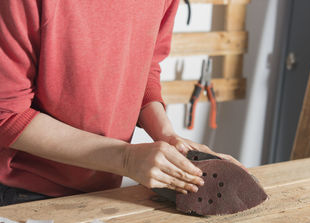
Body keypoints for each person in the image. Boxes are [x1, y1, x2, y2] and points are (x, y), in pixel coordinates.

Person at [0, 0, 242, 206]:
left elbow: (143, 68)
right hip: (23, 193)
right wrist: (126, 159)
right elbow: (7, 114)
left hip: (106, 189)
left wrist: (167, 136)